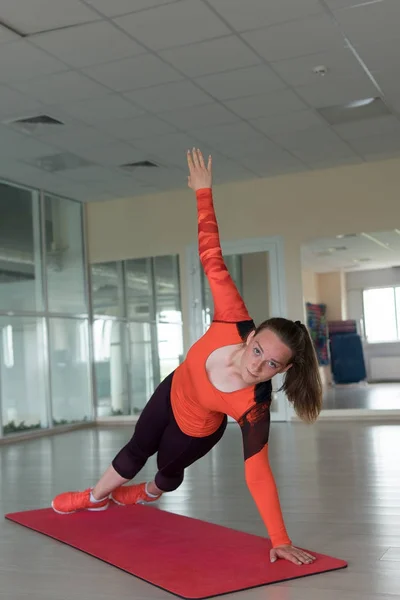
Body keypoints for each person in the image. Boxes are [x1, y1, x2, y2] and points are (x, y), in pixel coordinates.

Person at [52, 148, 322, 567]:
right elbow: (212, 257)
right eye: (257, 350)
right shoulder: (232, 318)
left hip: (197, 429)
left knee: (165, 471)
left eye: (271, 364)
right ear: (250, 335)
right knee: (135, 449)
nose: (257, 364)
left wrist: (280, 538)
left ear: (283, 370)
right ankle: (95, 498)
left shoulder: (254, 407)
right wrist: (202, 193)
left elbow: (258, 474)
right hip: (173, 388)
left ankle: (146, 493)